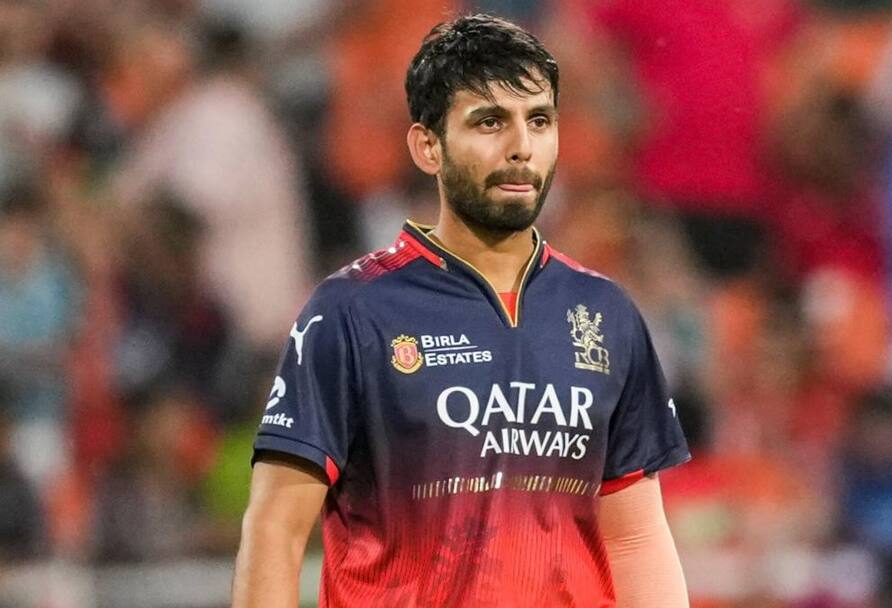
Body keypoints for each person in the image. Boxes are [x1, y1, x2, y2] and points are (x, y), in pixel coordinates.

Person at [232, 14, 691, 608]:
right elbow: (276, 528)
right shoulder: (351, 312)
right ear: (428, 146)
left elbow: (635, 539)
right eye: (489, 122)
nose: (521, 146)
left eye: (539, 120)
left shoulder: (605, 314)